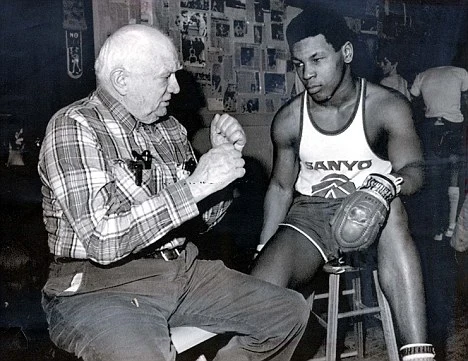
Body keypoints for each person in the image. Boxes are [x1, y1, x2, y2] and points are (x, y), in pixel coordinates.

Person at [37, 24, 309, 361]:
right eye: (166, 76)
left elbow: (198, 222)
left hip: (181, 271)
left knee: (288, 312)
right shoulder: (74, 127)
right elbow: (102, 241)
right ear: (122, 80)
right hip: (101, 287)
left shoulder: (169, 129)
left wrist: (220, 174)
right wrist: (195, 185)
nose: (176, 87)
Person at [250, 6, 435, 361]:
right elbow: (280, 187)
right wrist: (264, 244)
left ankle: (418, 355)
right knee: (258, 291)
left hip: (376, 208)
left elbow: (414, 169)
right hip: (311, 214)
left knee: (390, 208)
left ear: (345, 53)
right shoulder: (289, 120)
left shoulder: (385, 106)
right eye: (299, 64)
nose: (308, 73)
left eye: (318, 59)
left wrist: (385, 188)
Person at [410, 66, 468, 240]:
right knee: (454, 175)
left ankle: (437, 230)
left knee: (434, 180)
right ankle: (451, 226)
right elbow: (466, 99)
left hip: (431, 128)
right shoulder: (461, 72)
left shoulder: (422, 74)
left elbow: (413, 98)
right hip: (453, 127)